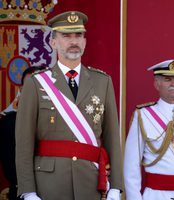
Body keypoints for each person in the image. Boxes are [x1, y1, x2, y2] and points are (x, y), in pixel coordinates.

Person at [15, 11, 122, 200]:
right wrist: (28, 191)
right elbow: (24, 143)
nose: (74, 41)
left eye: (78, 35)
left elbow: (113, 137)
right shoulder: (36, 83)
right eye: (66, 35)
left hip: (90, 184)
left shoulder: (102, 82)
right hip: (49, 184)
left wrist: (116, 186)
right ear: (53, 42)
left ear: (85, 41)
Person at [124, 59, 174, 200]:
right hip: (157, 195)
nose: (173, 84)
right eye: (167, 79)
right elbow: (131, 167)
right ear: (156, 84)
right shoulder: (144, 115)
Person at [0, 66, 44, 200]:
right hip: (23, 192)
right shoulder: (7, 123)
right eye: (30, 86)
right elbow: (11, 169)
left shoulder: (62, 121)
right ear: (21, 90)